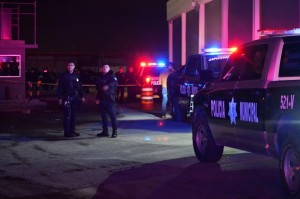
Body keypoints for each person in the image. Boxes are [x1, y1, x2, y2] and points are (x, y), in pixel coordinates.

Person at [57, 62, 85, 138]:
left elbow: (80, 87)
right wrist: (59, 97)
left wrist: (82, 96)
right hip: (67, 97)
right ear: (67, 67)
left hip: (75, 98)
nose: (70, 66)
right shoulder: (64, 76)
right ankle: (67, 132)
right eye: (69, 65)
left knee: (74, 115)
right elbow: (60, 87)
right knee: (67, 116)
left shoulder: (76, 75)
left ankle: (72, 131)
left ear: (74, 67)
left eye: (72, 65)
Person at [95, 64, 118, 138]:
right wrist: (97, 98)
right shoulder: (100, 77)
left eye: (106, 67)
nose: (105, 68)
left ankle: (114, 131)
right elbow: (98, 89)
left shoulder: (112, 76)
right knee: (103, 117)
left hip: (110, 99)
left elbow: (115, 83)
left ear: (109, 68)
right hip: (102, 99)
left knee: (112, 116)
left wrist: (108, 85)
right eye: (103, 67)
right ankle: (105, 131)